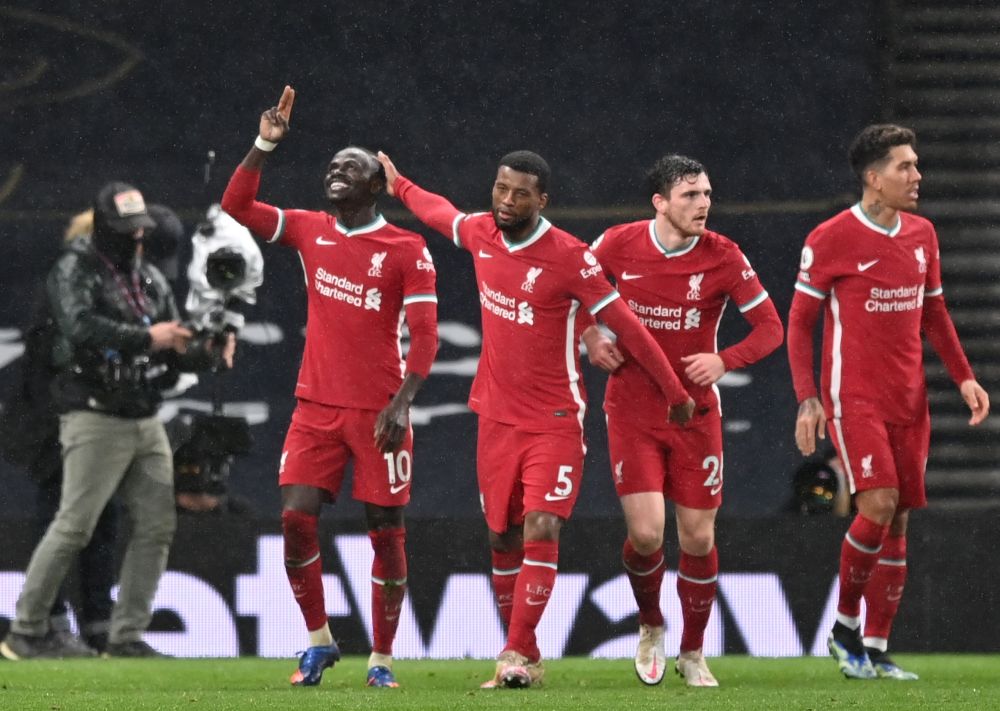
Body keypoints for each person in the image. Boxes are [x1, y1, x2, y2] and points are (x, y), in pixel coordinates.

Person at [376, 147, 695, 689]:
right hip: (495, 418)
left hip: (554, 419)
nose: (506, 200)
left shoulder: (571, 257)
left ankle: (514, 653)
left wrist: (674, 391)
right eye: (500, 188)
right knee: (502, 538)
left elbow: (630, 327)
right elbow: (438, 212)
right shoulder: (481, 233)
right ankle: (529, 656)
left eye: (520, 192)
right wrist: (400, 184)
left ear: (541, 199)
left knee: (541, 525)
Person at [220, 86, 439, 689]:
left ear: (376, 186)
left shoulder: (406, 248)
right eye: (331, 166)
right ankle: (318, 641)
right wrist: (266, 143)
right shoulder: (311, 230)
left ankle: (382, 657)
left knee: (386, 534)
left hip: (379, 414)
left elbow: (425, 340)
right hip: (314, 407)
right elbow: (237, 204)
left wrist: (401, 404)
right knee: (295, 519)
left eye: (351, 167)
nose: (335, 172)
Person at [788, 124, 990, 681]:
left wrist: (964, 378)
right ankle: (843, 628)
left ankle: (874, 648)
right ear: (873, 179)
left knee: (897, 518)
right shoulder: (830, 238)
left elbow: (935, 312)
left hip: (910, 398)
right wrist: (808, 399)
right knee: (876, 504)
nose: (918, 175)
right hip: (854, 397)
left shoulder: (923, 234)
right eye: (905, 166)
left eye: (917, 165)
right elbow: (800, 323)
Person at [1, 182, 232, 661]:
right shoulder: (74, 270)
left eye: (141, 230)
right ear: (106, 228)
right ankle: (27, 629)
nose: (137, 239)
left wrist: (206, 351)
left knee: (156, 524)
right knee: (75, 525)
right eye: (128, 231)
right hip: (93, 414)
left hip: (143, 415)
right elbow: (79, 327)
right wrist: (150, 338)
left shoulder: (148, 278)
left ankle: (123, 637)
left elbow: (175, 347)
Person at [581, 154, 783, 687]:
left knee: (696, 536)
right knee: (647, 535)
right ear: (661, 202)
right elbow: (573, 288)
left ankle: (693, 652)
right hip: (631, 408)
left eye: (707, 194)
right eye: (691, 196)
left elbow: (770, 328)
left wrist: (725, 360)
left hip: (696, 413)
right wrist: (591, 335)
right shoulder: (617, 244)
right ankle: (651, 625)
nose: (703, 205)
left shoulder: (723, 255)